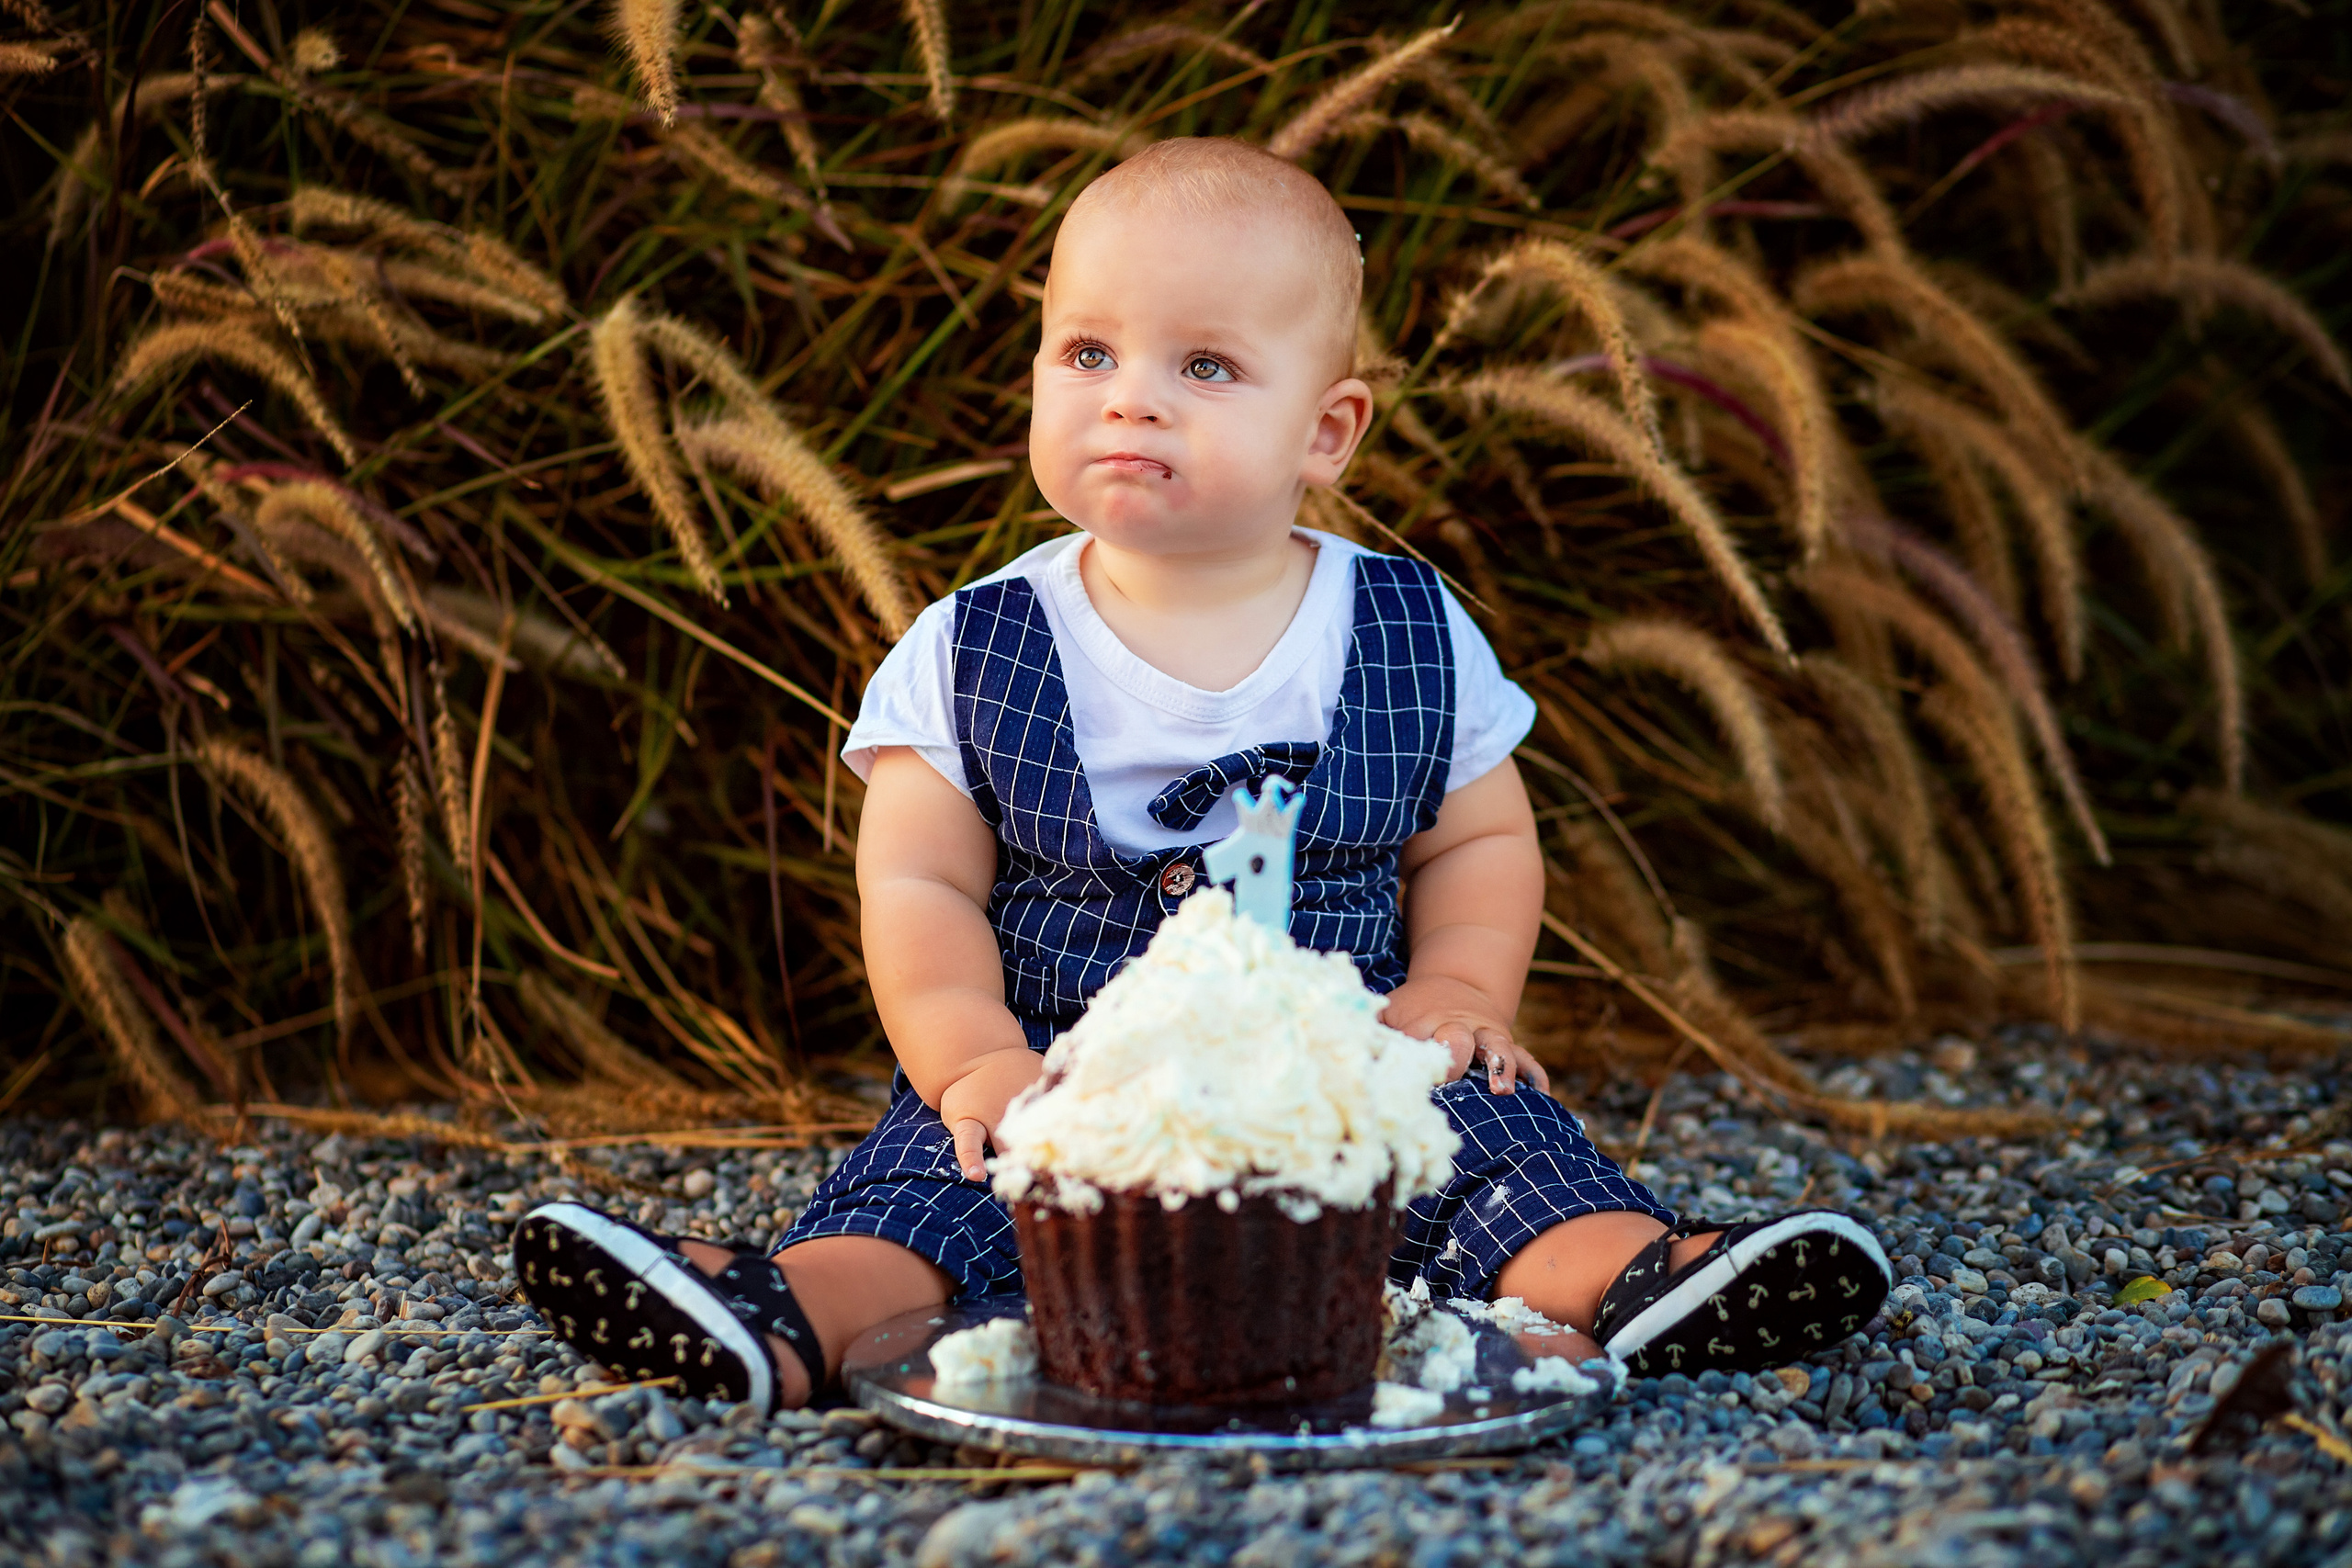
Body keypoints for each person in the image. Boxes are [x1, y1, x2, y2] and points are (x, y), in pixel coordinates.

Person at [514, 138, 1889, 1413]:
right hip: (1065, 1061)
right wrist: (972, 1054)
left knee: (1488, 1148)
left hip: (1351, 1053)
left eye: (1207, 369)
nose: (1132, 397)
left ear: (1328, 431)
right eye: (1088, 351)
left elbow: (1476, 843)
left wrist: (1459, 993)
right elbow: (919, 875)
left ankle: (1635, 1279)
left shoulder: (1409, 626)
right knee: (947, 1189)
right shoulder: (973, 644)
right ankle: (792, 1313)